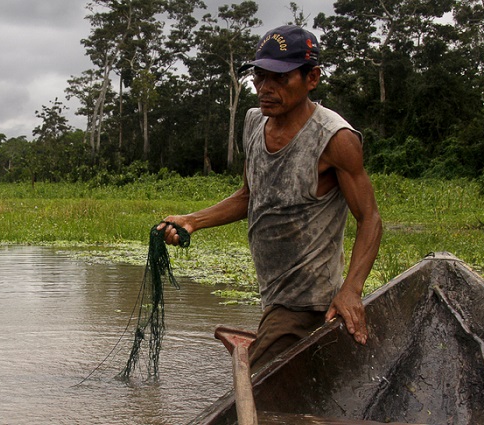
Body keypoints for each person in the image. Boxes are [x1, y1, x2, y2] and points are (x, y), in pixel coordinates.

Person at [159, 25, 382, 371]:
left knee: (251, 393)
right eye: (260, 78)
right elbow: (249, 196)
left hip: (306, 301)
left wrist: (351, 290)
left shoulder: (334, 138)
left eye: (279, 78)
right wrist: (192, 220)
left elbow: (370, 218)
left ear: (312, 78)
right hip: (273, 294)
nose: (265, 89)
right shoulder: (253, 122)